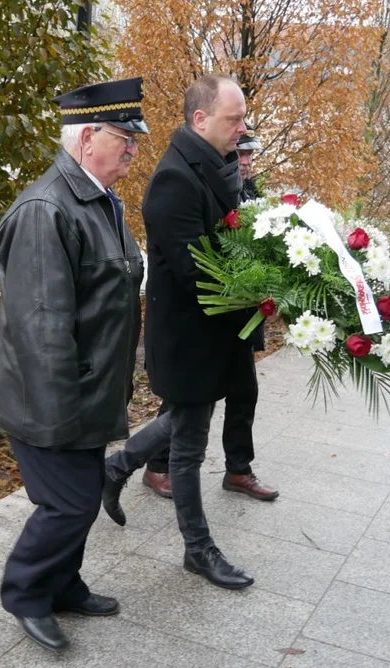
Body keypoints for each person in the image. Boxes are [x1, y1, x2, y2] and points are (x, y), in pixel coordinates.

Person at [0, 77, 148, 652]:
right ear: (87, 138)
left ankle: (63, 584)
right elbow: (41, 327)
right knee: (71, 502)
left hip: (87, 391)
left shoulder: (99, 201)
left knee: (77, 499)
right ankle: (26, 592)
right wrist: (63, 417)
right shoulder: (45, 209)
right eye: (124, 138)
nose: (133, 149)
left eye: (135, 140)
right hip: (53, 399)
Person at [104, 74, 260, 592]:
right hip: (189, 335)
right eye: (232, 119)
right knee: (189, 444)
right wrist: (257, 290)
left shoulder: (216, 165)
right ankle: (199, 550)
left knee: (182, 422)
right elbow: (199, 272)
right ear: (200, 120)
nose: (241, 128)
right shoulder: (175, 178)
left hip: (216, 331)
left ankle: (118, 466)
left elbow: (233, 242)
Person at [119, 127, 277, 506]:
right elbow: (196, 258)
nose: (245, 162)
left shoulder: (248, 192)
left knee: (244, 392)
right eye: (239, 155)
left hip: (236, 315)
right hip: (200, 316)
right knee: (187, 402)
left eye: (249, 156)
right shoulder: (184, 181)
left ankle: (238, 469)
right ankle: (154, 465)